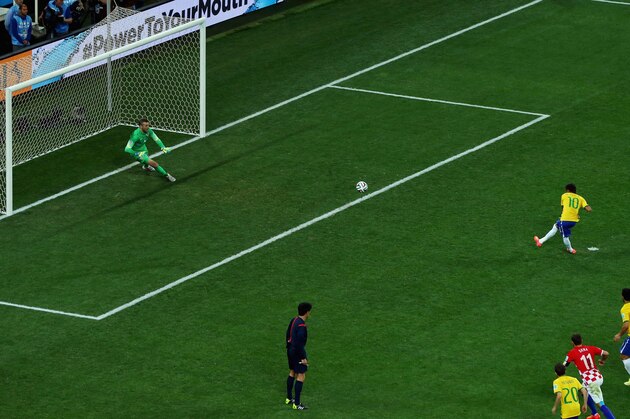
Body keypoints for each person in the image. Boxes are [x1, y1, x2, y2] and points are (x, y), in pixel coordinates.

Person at [564, 334, 615, 419]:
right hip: (598, 376)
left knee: (601, 404)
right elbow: (606, 353)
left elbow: (564, 366)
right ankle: (595, 414)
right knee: (582, 390)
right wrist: (602, 361)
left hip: (591, 382)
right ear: (582, 340)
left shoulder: (572, 353)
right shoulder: (591, 348)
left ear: (572, 343)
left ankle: (601, 416)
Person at [534, 183, 592, 254]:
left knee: (565, 236)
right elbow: (588, 208)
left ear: (568, 190)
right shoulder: (580, 198)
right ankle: (540, 241)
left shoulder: (564, 195)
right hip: (574, 221)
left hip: (565, 220)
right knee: (555, 226)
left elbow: (563, 207)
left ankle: (570, 249)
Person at [285, 302, 312, 411]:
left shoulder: (294, 320)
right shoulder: (301, 326)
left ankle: (288, 398)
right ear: (307, 312)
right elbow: (300, 344)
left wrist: (288, 347)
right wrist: (303, 358)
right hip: (297, 353)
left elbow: (287, 334)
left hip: (290, 350)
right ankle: (296, 404)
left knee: (292, 372)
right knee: (301, 375)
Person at [613, 288, 630, 386]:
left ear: (623, 297)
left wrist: (619, 335)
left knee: (624, 355)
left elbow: (626, 325)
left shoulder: (625, 308)